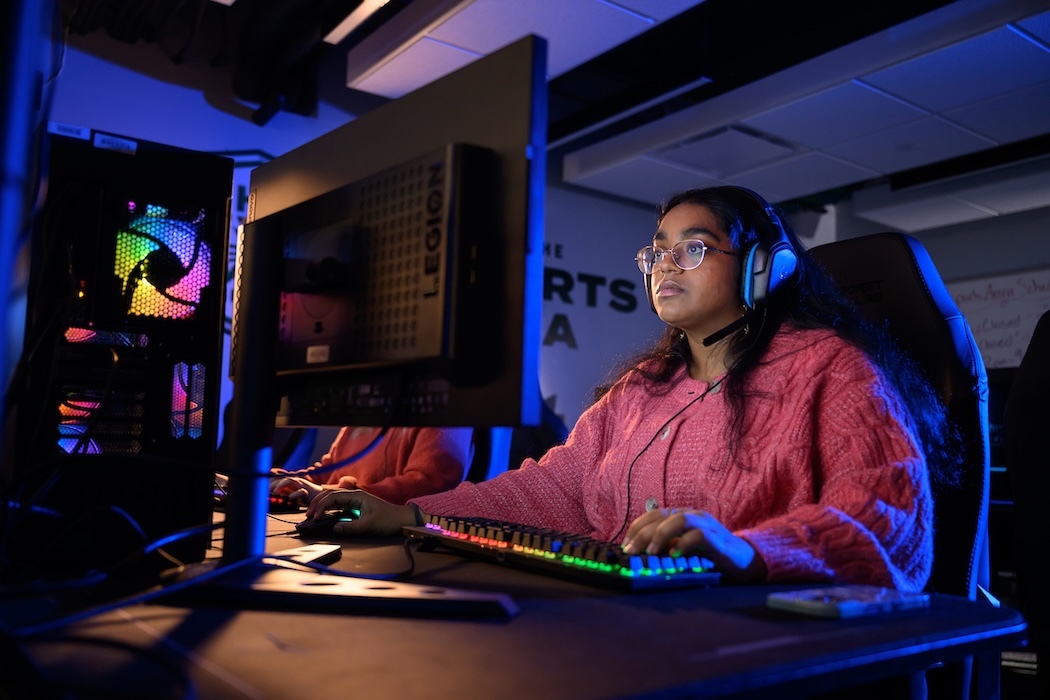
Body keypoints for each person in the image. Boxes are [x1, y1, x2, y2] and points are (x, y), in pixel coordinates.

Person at [304, 185, 955, 590]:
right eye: (658, 251)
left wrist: (744, 547)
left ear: (765, 268)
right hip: (635, 626)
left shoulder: (831, 370)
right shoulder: (644, 388)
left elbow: (887, 525)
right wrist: (417, 515)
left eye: (693, 249)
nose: (665, 264)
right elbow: (554, 488)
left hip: (758, 647)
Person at [272, 426, 473, 506]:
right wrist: (279, 480)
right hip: (342, 530)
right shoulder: (365, 411)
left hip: (392, 546)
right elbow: (327, 471)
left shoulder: (440, 407)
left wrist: (326, 493)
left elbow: (430, 484)